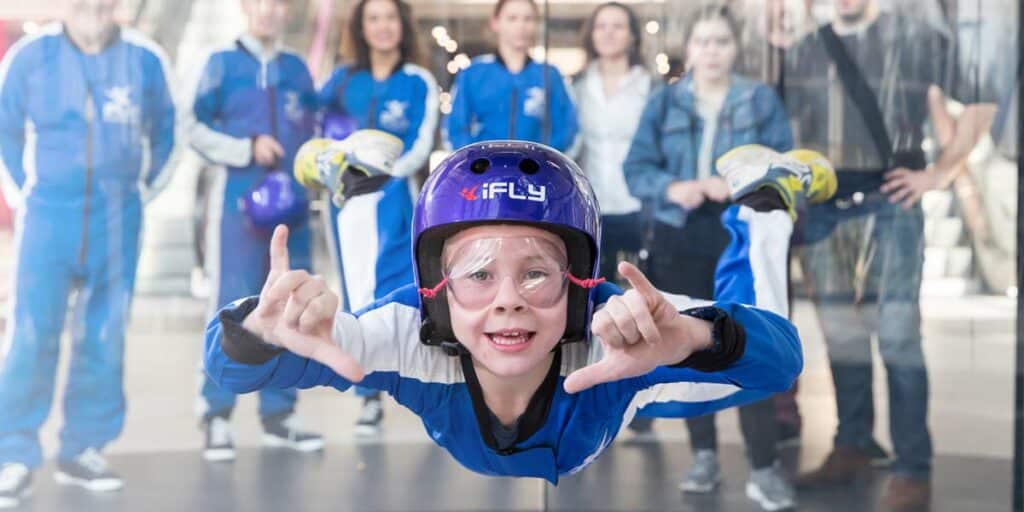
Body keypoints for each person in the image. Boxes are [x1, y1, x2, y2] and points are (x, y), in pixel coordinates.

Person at [202, 140, 836, 484]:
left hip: (613, 391)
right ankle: (361, 188)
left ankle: (763, 203)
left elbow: (778, 362)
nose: (508, 298)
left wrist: (700, 337)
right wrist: (256, 332)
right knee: (361, 318)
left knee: (745, 324)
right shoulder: (411, 332)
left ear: (581, 284)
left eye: (537, 273)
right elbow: (231, 370)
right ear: (440, 291)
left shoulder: (622, 336)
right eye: (478, 274)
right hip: (418, 325)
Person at [782, 1, 993, 510]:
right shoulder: (805, 49)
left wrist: (938, 174)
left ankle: (912, 466)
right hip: (826, 210)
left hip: (892, 203)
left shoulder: (918, 39)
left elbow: (982, 102)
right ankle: (852, 445)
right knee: (843, 338)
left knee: (898, 339)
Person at [0, 0, 179, 504]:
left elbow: (168, 132)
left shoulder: (145, 60)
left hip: (117, 220)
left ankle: (83, 448)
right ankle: (12, 453)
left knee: (104, 336)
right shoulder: (30, 57)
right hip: (48, 218)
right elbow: (4, 129)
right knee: (31, 335)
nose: (94, 7)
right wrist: (25, 193)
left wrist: (140, 190)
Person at [622, 5, 796, 509]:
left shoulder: (759, 99)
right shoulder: (665, 102)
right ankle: (704, 456)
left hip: (738, 233)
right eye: (703, 42)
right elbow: (636, 168)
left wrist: (739, 184)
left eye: (721, 41)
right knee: (690, 345)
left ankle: (764, 467)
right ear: (689, 48)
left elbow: (781, 167)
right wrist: (674, 186)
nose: (712, 51)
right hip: (679, 232)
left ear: (735, 48)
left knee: (750, 340)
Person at [188, 0, 323, 462]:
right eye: (259, 2)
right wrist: (243, 147)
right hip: (237, 207)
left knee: (290, 306)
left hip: (292, 209)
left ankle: (279, 414)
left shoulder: (298, 70)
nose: (268, 11)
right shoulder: (220, 64)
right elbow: (192, 126)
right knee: (231, 303)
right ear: (246, 7)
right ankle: (216, 414)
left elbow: (313, 129)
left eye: (277, 4)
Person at [317, 0, 438, 435]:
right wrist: (337, 171)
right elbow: (320, 136)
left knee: (403, 293)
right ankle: (366, 395)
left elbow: (421, 143)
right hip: (347, 205)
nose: (383, 27)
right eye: (373, 18)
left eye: (390, 18)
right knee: (356, 294)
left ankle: (422, 388)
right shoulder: (341, 80)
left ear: (402, 25)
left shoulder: (417, 81)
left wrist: (381, 170)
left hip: (396, 199)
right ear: (361, 27)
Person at [573, 2, 659, 283]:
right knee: (594, 288)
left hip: (639, 204)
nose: (609, 33)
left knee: (642, 286)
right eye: (601, 26)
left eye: (618, 26)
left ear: (633, 36)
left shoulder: (650, 86)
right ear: (592, 34)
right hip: (591, 200)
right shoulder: (577, 86)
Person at [443, 0, 577, 153]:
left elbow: (568, 129)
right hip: (485, 172)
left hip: (536, 172)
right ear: (495, 23)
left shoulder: (550, 74)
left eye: (528, 19)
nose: (521, 26)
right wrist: (477, 162)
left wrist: (544, 160)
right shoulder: (473, 73)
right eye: (512, 18)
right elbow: (455, 129)